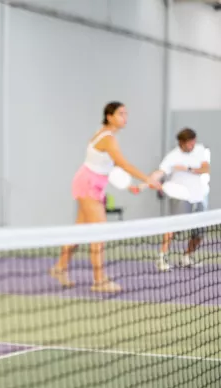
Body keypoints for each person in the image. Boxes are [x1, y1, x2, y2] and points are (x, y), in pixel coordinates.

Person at [50, 102, 161, 292]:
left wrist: (130, 185)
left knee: (79, 231)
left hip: (91, 184)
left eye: (126, 114)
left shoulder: (105, 135)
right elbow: (124, 164)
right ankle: (99, 281)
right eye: (120, 114)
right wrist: (149, 180)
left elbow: (109, 165)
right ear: (109, 116)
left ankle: (59, 268)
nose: (125, 117)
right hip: (88, 185)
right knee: (99, 234)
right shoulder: (108, 138)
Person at [147, 128, 210, 271]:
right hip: (180, 197)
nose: (191, 145)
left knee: (199, 233)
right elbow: (160, 172)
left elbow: (206, 169)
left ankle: (187, 257)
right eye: (188, 142)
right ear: (181, 142)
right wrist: (146, 182)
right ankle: (162, 258)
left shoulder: (200, 150)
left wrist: (187, 168)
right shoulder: (172, 156)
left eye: (193, 141)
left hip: (199, 197)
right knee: (174, 228)